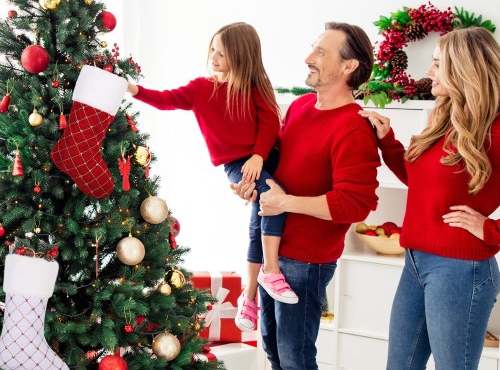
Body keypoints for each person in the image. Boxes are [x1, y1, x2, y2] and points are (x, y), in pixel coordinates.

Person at [126, 22, 298, 334]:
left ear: (242, 56)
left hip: (265, 158)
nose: (214, 58)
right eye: (213, 51)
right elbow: (166, 99)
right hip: (237, 163)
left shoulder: (255, 85)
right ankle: (265, 277)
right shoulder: (201, 89)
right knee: (271, 203)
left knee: (265, 211)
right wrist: (134, 90)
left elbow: (270, 122)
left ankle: (252, 294)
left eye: (222, 53)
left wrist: (259, 155)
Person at [232, 22, 381, 370]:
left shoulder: (354, 127)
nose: (308, 58)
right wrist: (252, 184)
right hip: (273, 252)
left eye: (321, 53)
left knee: (295, 358)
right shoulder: (299, 107)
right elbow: (280, 169)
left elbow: (356, 204)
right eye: (313, 48)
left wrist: (285, 203)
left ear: (349, 67)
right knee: (273, 351)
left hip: (306, 261)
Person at [359, 27, 500, 370]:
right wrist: (387, 141)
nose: (428, 71)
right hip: (416, 261)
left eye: (437, 63)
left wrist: (492, 231)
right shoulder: (443, 117)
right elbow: (421, 182)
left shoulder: (495, 131)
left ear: (463, 68)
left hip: (460, 271)